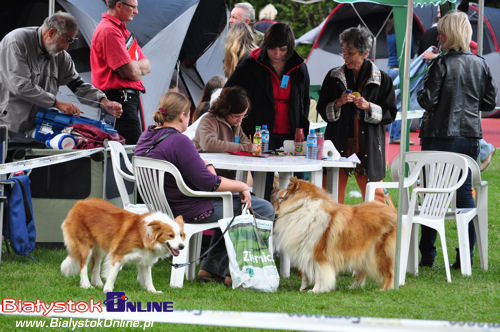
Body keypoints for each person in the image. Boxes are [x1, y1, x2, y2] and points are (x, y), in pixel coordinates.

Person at [134, 92, 274, 285]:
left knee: (231, 202)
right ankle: (241, 272)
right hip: (188, 208)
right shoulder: (179, 141)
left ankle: (212, 269)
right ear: (183, 115)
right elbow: (209, 183)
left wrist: (209, 171)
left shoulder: (146, 135)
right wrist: (241, 185)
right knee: (262, 207)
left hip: (163, 205)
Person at [416, 11, 497, 269]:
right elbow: (488, 103)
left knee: (431, 196)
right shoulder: (481, 64)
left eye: (440, 32)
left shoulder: (439, 63)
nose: (437, 35)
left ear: (447, 35)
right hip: (470, 135)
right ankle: (465, 257)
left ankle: (427, 255)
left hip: (438, 136)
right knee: (465, 197)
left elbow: (427, 101)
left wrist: (425, 74)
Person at [0, 11, 122, 136]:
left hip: (38, 128)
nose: (66, 47)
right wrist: (56, 103)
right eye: (66, 40)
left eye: (71, 41)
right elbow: (21, 86)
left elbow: (77, 85)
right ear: (51, 32)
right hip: (7, 125)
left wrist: (103, 102)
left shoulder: (62, 57)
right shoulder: (16, 42)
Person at [226, 23, 310, 199]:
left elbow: (304, 102)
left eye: (283, 49)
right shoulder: (251, 64)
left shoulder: (299, 67)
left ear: (290, 48)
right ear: (265, 46)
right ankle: (263, 220)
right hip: (261, 135)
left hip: (291, 136)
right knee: (263, 187)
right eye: (272, 49)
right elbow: (229, 91)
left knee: (297, 188)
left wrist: (302, 130)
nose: (277, 54)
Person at [316, 25, 397, 204]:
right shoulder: (333, 76)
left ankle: (391, 230)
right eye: (343, 53)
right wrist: (338, 103)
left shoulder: (382, 79)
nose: (345, 58)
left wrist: (369, 107)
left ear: (365, 53)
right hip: (337, 144)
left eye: (350, 53)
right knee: (329, 199)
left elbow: (390, 113)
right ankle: (332, 232)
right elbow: (322, 110)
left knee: (377, 200)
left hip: (368, 145)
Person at [91, 0, 151, 144]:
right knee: (131, 153)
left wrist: (134, 68)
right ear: (119, 5)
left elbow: (147, 65)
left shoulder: (121, 30)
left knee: (126, 151)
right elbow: (130, 71)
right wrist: (136, 69)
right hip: (120, 103)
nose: (136, 11)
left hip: (122, 101)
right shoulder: (110, 31)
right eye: (133, 7)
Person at [194, 86, 252, 154]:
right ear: (225, 111)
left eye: (243, 116)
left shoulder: (236, 125)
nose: (240, 120)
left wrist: (253, 147)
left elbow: (245, 142)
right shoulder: (208, 120)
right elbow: (209, 145)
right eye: (236, 116)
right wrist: (244, 148)